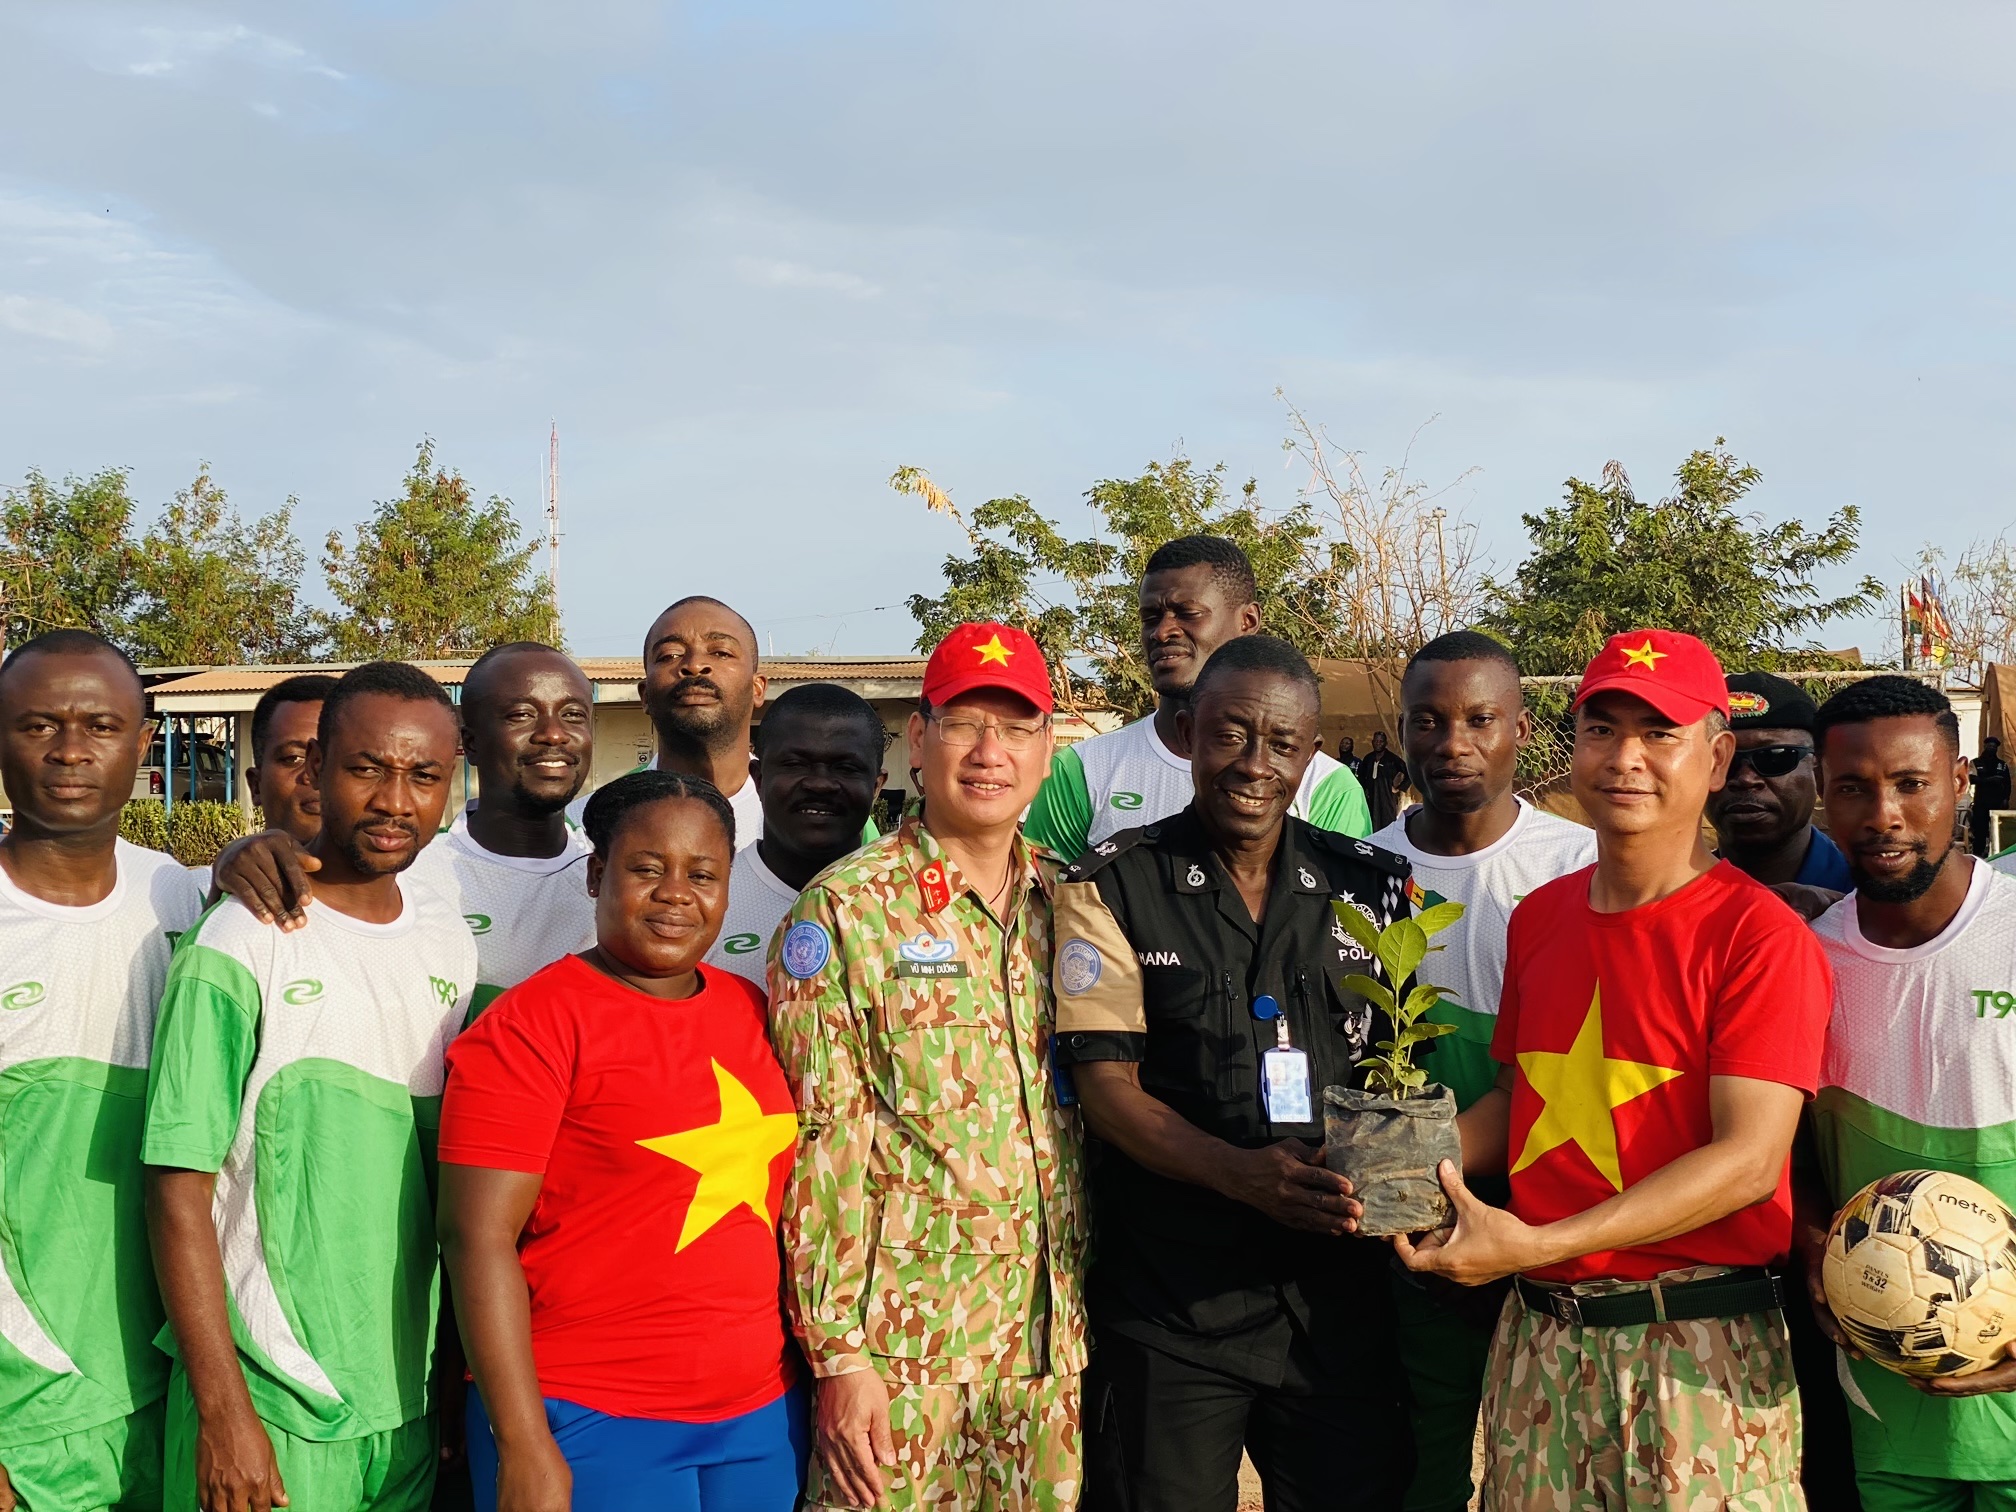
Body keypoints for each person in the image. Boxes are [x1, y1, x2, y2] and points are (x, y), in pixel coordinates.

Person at [1397, 628, 1834, 1510]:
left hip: (1695, 1354)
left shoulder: (1758, 937)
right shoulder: (1543, 918)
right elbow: (1522, 1098)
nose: (1626, 758)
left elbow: (1750, 1163)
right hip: (1542, 1346)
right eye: (1603, 729)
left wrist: (1542, 1243)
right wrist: (1405, 1160)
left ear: (1715, 760)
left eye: (1659, 733)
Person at [1053, 634, 1417, 1512]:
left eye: (1282, 744)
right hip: (1174, 1300)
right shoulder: (1113, 887)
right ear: (1189, 733)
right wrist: (1239, 1175)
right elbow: (1106, 1089)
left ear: (1310, 753)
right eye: (1231, 735)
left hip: (1334, 1305)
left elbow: (1401, 1068)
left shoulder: (1368, 887)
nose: (1255, 764)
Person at [768, 621, 1086, 1511]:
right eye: (963, 725)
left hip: (1046, 1349)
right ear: (918, 741)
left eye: (1017, 729)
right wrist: (839, 1356)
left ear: (1047, 750)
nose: (991, 753)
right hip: (903, 1355)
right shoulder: (843, 911)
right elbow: (822, 1140)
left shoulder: (1074, 904)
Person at [145, 662, 477, 1512]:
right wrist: (224, 1414)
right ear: (319, 769)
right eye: (367, 768)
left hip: (397, 1400)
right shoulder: (239, 939)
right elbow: (176, 1191)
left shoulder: (447, 941)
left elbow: (439, 1187)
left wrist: (440, 1382)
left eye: (424, 776)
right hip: (269, 1400)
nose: (395, 801)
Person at [439, 771, 807, 1512]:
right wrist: (522, 1441)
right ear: (598, 874)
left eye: (703, 874)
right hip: (587, 1414)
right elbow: (474, 1238)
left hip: (760, 1413)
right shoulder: (532, 1024)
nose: (677, 893)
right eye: (647, 869)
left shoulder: (752, 1009)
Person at [1368, 631, 1594, 1512]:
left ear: (1522, 729)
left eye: (1478, 719)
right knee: (1421, 1456)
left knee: (1544, 1464)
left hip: (1542, 1219)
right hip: (1404, 1224)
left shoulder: (1573, 866)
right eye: (1428, 721)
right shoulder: (1361, 866)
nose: (1451, 743)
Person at [1796, 678, 2016, 1510]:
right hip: (1887, 1398)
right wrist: (1812, 1233)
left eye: (1911, 783)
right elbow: (1784, 1142)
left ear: (1961, 780)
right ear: (1823, 792)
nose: (1881, 812)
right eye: (1852, 787)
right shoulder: (1805, 961)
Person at [0, 630, 207, 1512]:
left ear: (144, 739)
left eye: (101, 726)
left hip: (167, 1384)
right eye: (39, 725)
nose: (71, 752)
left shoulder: (184, 901)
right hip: (26, 1407)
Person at [212, 645, 597, 1022]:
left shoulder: (620, 872)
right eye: (521, 714)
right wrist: (236, 860)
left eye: (574, 714)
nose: (553, 734)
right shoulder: (401, 866)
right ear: (471, 743)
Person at [1024, 536, 1368, 859]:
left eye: (1187, 613)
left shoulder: (1325, 787)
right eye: (1150, 617)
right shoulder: (1081, 771)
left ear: (1247, 621)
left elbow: (1341, 916)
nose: (1162, 632)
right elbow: (1051, 909)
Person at [703, 683, 887, 987]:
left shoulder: (910, 905)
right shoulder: (705, 899)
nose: (820, 784)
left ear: (877, 787)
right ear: (759, 780)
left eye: (845, 767)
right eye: (795, 764)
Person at [1708, 671, 1852, 892]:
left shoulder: (1870, 898)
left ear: (1819, 769)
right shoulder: (1659, 900)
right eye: (1722, 760)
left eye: (1776, 757)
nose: (1746, 779)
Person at [246, 673, 341, 847]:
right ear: (256, 786)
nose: (317, 775)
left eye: (338, 757)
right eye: (294, 758)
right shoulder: (218, 874)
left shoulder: (404, 873)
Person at [1355, 730, 1408, 832]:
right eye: (1376, 741)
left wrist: (1399, 788)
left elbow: (1408, 772)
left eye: (1381, 741)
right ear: (1372, 742)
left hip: (1387, 796)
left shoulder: (1392, 759)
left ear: (1385, 743)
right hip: (1371, 796)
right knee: (1370, 819)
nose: (1378, 744)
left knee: (1387, 820)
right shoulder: (1368, 758)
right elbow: (1361, 776)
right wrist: (1364, 790)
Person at [1969, 735, 2010, 857]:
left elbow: (2008, 783)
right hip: (1981, 802)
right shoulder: (1975, 763)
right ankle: (1978, 855)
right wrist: (1990, 780)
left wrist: (2006, 799)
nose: (1992, 748)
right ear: (1984, 746)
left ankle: (1996, 854)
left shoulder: (2002, 765)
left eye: (1994, 746)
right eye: (1989, 745)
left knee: (1996, 830)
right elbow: (1972, 779)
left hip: (1997, 804)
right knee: (1980, 831)